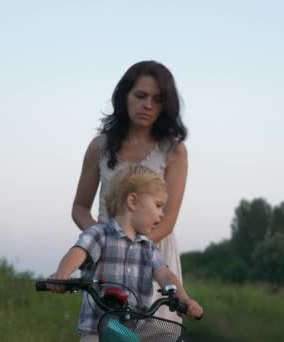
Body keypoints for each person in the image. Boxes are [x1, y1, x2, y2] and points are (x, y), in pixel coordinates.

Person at [71, 60, 188, 322]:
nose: (147, 105)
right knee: (105, 329)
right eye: (140, 95)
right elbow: (79, 207)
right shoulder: (99, 146)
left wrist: (136, 249)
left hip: (154, 253)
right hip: (105, 257)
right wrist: (101, 241)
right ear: (124, 96)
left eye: (157, 99)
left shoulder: (174, 151)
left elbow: (167, 219)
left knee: (155, 330)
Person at [50, 165, 203, 342]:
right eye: (158, 206)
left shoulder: (149, 248)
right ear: (133, 202)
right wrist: (63, 274)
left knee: (171, 338)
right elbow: (79, 251)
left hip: (137, 328)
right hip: (98, 329)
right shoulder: (100, 234)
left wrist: (184, 299)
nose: (162, 215)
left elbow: (165, 274)